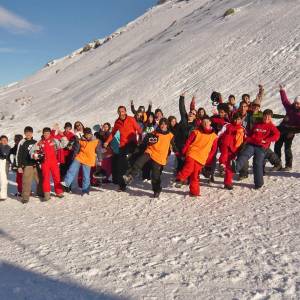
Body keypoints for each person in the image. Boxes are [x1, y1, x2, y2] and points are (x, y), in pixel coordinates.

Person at [123, 118, 176, 198]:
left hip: (159, 156)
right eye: (162, 124)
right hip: (150, 151)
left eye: (165, 124)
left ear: (167, 125)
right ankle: (131, 176)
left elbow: (174, 146)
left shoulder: (170, 135)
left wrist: (178, 151)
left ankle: (157, 190)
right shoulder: (153, 133)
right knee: (139, 162)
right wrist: (146, 142)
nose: (163, 125)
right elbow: (145, 142)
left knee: (155, 175)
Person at [232, 109, 280, 189]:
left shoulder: (271, 126)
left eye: (269, 117)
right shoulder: (257, 124)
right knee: (244, 154)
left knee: (257, 163)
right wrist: (247, 138)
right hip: (251, 144)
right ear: (263, 116)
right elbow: (251, 133)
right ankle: (236, 167)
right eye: (265, 116)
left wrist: (266, 140)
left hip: (261, 147)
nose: (266, 118)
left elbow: (277, 135)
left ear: (271, 118)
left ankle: (259, 183)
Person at [176, 117, 218, 197]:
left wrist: (208, 160)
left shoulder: (214, 137)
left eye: (207, 121)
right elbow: (188, 142)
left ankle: (194, 192)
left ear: (210, 123)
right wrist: (184, 152)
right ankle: (180, 178)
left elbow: (213, 150)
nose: (205, 123)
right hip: (192, 153)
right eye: (203, 122)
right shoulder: (196, 132)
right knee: (189, 167)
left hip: (202, 158)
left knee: (195, 175)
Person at [104, 106, 142, 192]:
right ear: (118, 112)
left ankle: (130, 174)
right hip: (122, 145)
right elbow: (113, 133)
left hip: (131, 143)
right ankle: (122, 185)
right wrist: (107, 142)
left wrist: (140, 138)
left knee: (129, 160)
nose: (122, 113)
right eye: (120, 111)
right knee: (120, 165)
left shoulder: (131, 119)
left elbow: (139, 130)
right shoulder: (117, 122)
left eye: (123, 111)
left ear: (125, 111)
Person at [62, 128, 102, 195]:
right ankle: (66, 182)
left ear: (91, 134)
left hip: (89, 159)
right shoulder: (80, 140)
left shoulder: (96, 141)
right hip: (80, 157)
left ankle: (85, 190)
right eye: (86, 134)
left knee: (86, 176)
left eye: (89, 134)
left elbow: (98, 151)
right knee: (71, 169)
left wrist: (100, 159)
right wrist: (74, 157)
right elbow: (76, 150)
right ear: (84, 134)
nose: (88, 136)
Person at [31, 127, 67, 201]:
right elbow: (32, 151)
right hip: (44, 163)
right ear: (43, 134)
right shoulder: (40, 142)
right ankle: (47, 194)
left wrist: (62, 136)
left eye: (48, 133)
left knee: (57, 177)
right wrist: (35, 155)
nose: (46, 134)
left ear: (50, 133)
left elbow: (63, 144)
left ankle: (59, 192)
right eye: (45, 133)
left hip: (54, 162)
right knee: (46, 179)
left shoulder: (54, 140)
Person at [274, 85, 300, 170]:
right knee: (277, 146)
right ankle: (277, 164)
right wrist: (282, 90)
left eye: (298, 103)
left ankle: (289, 165)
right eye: (295, 103)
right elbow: (284, 101)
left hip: (291, 131)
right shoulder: (290, 108)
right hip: (282, 129)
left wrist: (292, 132)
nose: (296, 104)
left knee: (287, 148)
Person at [16, 126, 43, 203]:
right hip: (27, 165)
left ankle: (40, 193)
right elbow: (18, 154)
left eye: (30, 132)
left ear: (32, 133)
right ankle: (25, 197)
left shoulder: (35, 142)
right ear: (24, 133)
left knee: (39, 180)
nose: (28, 134)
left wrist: (39, 158)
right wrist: (19, 166)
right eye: (26, 132)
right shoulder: (22, 142)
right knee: (26, 182)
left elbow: (39, 152)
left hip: (35, 164)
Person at [219, 113, 245, 189]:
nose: (237, 121)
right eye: (235, 119)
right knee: (224, 156)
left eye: (239, 119)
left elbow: (245, 138)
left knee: (230, 165)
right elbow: (220, 133)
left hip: (234, 149)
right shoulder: (227, 125)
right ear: (233, 119)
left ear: (241, 120)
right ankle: (222, 164)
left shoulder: (242, 128)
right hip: (225, 145)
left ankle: (228, 182)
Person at [174, 92, 197, 172]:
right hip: (180, 145)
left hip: (189, 147)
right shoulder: (184, 120)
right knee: (180, 162)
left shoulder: (196, 126)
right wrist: (182, 98)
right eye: (190, 112)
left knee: (187, 163)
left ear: (195, 117)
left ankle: (185, 176)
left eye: (193, 113)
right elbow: (182, 109)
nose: (191, 114)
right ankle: (179, 176)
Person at [0, 135, 11, 201]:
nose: (4, 141)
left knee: (3, 179)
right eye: (2, 140)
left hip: (4, 163)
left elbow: (5, 155)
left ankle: (3, 195)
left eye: (5, 140)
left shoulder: (8, 147)